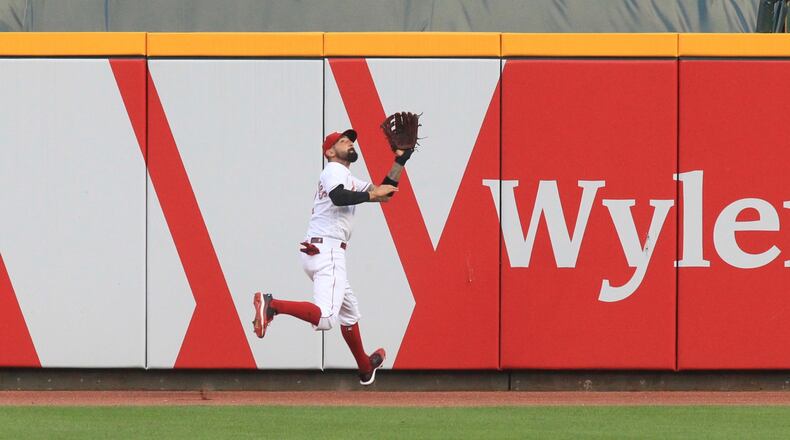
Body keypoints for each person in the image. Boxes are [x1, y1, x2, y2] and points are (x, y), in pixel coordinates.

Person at [252, 128, 412, 386]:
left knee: (350, 313)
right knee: (327, 318)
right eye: (342, 141)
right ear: (329, 151)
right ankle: (272, 305)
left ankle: (364, 366)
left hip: (319, 250)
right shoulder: (334, 171)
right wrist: (372, 194)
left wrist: (400, 160)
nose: (349, 143)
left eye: (350, 140)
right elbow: (339, 198)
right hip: (328, 251)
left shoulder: (346, 176)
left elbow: (386, 193)